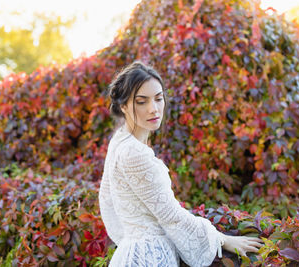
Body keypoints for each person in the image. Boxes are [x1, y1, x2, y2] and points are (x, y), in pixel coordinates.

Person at [99, 61, 264, 266]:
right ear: (123, 106)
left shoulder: (120, 141)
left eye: (158, 99)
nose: (153, 109)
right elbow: (171, 216)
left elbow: (106, 200)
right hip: (149, 257)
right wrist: (222, 239)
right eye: (141, 101)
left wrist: (128, 237)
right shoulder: (133, 152)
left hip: (132, 254)